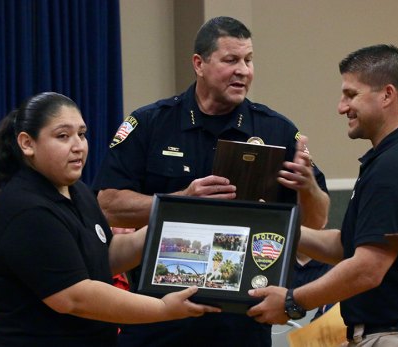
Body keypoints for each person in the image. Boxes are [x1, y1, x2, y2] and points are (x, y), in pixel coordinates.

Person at [92, 16, 330, 347]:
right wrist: (182, 200)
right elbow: (107, 205)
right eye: (231, 60)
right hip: (160, 312)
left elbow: (317, 222)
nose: (243, 71)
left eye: (248, 60)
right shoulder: (151, 123)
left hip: (241, 318)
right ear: (199, 64)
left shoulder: (277, 130)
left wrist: (308, 187)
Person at [0, 92, 220, 347]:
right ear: (27, 143)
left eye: (81, 134)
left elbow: (105, 257)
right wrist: (163, 307)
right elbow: (75, 296)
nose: (78, 146)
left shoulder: (78, 191)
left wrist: (176, 221)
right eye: (63, 136)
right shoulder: (26, 208)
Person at [247, 44, 398, 346]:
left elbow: (367, 268)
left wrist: (292, 300)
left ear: (387, 95)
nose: (341, 107)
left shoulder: (396, 165)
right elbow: (347, 245)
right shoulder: (391, 158)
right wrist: (273, 226)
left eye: (351, 95)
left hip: (391, 335)